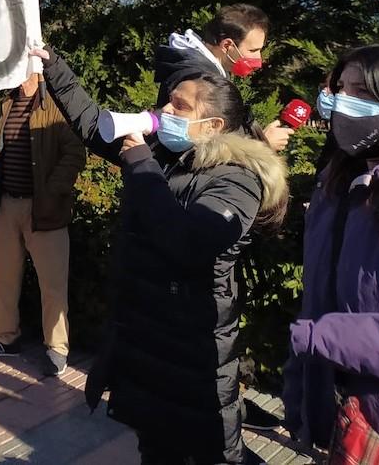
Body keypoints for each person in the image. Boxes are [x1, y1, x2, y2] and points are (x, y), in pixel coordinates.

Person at [36, 46, 287, 465]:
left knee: (207, 453)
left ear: (214, 125)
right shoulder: (169, 156)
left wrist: (139, 162)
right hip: (151, 346)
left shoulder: (236, 180)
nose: (165, 107)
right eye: (169, 98)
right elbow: (91, 123)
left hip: (193, 359)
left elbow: (187, 243)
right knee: (155, 447)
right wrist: (53, 65)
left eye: (180, 105)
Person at [284, 43, 379, 457]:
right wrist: (300, 391)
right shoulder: (336, 181)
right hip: (344, 417)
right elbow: (316, 297)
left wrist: (325, 337)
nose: (344, 103)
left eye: (363, 93)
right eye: (341, 89)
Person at [0, 72, 86, 376]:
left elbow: (75, 153)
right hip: (8, 204)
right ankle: (4, 337)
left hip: (45, 211)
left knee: (52, 285)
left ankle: (57, 348)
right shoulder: (7, 103)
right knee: (2, 278)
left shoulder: (55, 105)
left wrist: (51, 190)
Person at [155, 4, 293, 153]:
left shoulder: (195, 67)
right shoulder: (199, 80)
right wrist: (263, 145)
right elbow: (206, 142)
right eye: (253, 50)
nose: (259, 60)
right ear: (227, 45)